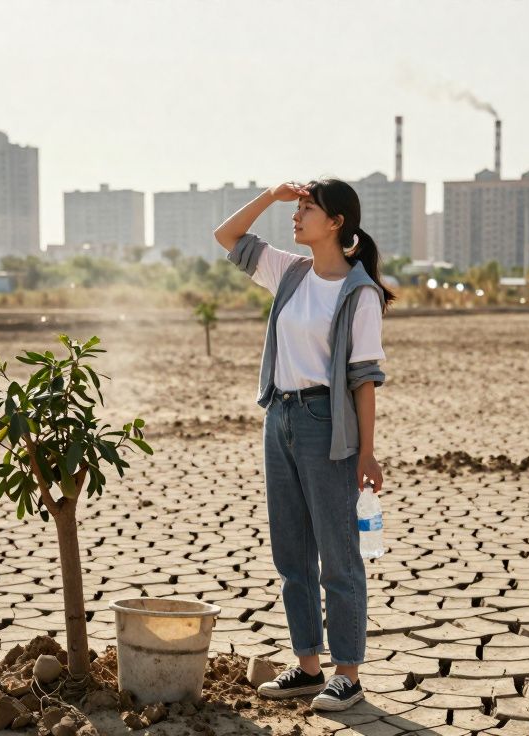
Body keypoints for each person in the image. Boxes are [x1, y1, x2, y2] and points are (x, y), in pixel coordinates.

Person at [213, 179, 394, 712]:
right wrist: (271, 196)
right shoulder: (289, 271)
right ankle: (308, 666)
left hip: (325, 423)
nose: (297, 216)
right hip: (280, 416)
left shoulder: (359, 293)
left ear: (336, 221)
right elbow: (226, 235)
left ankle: (349, 674)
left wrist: (367, 451)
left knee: (339, 556)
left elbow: (364, 377)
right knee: (291, 551)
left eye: (307, 208)